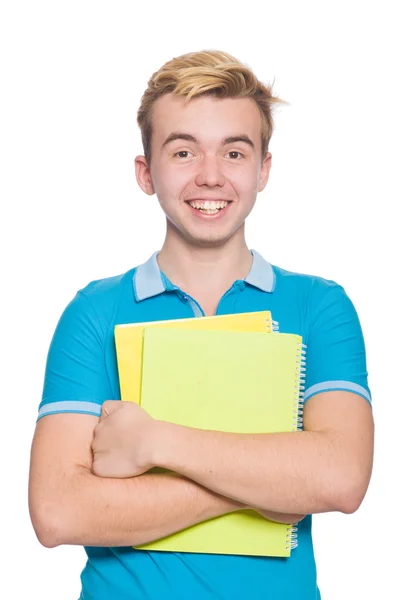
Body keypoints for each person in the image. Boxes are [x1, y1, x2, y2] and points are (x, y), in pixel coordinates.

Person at [28, 50, 374, 600]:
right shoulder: (93, 312)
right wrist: (276, 482)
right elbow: (58, 511)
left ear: (263, 169)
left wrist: (155, 443)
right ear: (146, 172)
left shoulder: (319, 306)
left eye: (234, 152)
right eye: (184, 151)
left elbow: (340, 478)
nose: (210, 176)